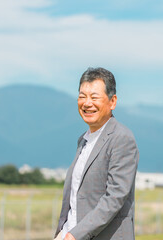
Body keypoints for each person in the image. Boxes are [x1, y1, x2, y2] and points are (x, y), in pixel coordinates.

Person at [54, 67, 139, 240]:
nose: (87, 103)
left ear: (112, 101)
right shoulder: (83, 140)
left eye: (94, 97)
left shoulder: (121, 138)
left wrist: (75, 234)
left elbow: (115, 197)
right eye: (82, 96)